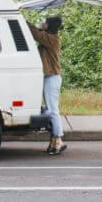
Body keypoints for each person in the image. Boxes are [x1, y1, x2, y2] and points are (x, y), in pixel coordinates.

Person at [27, 16, 65, 155]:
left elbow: (36, 33)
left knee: (53, 110)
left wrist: (23, 21)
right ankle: (53, 141)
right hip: (49, 77)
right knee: (50, 109)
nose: (43, 23)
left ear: (49, 26)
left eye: (45, 22)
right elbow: (37, 31)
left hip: (52, 78)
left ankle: (59, 140)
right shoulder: (49, 37)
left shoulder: (51, 39)